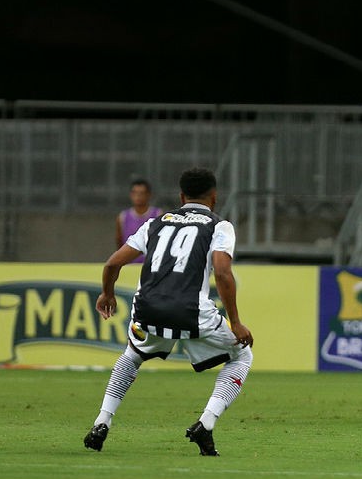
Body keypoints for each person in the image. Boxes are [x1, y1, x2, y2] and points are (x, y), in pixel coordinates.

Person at [84, 167, 254, 455]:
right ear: (214, 197)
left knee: (132, 355)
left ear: (181, 196)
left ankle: (102, 421)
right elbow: (223, 273)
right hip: (192, 312)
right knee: (242, 354)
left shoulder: (155, 223)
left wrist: (107, 293)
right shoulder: (219, 226)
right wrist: (235, 322)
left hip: (148, 309)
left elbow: (113, 263)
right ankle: (206, 423)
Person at [116, 179, 163, 263]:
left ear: (149, 195)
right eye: (135, 193)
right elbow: (119, 241)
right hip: (130, 266)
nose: (138, 196)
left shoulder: (158, 215)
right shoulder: (123, 217)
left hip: (150, 267)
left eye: (141, 193)